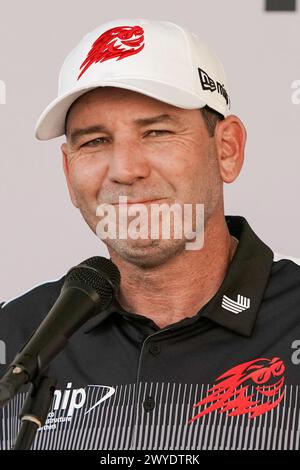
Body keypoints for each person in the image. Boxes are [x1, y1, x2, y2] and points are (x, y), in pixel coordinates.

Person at [1, 18, 300, 451]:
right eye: (95, 141)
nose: (125, 170)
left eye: (156, 132)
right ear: (69, 173)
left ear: (227, 150)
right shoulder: (14, 337)